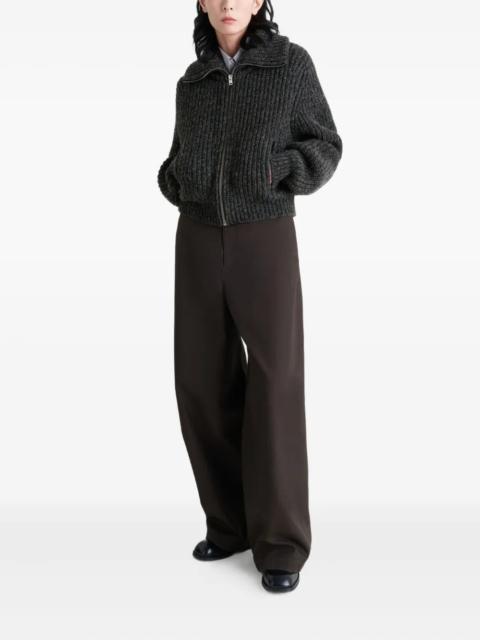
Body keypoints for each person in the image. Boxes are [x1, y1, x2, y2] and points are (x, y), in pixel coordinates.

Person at [157, 0, 342, 594]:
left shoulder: (290, 65)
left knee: (274, 384)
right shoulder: (193, 81)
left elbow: (325, 144)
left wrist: (279, 168)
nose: (228, 3)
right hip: (196, 236)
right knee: (200, 381)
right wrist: (177, 177)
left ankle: (281, 543)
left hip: (264, 235)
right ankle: (230, 524)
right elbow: (175, 157)